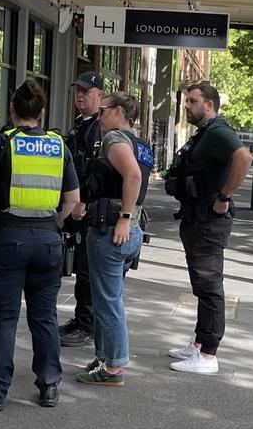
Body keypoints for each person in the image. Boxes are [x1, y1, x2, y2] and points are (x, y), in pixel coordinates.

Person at [0, 79, 80, 411]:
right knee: (44, 318)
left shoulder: (1, 143)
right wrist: (53, 223)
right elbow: (72, 199)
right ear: (40, 112)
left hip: (8, 239)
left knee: (3, 319)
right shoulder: (58, 145)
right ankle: (50, 386)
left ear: (12, 110)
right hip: (48, 242)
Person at [164, 83, 252, 374]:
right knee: (202, 286)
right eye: (186, 100)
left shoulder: (217, 131)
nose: (187, 105)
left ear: (209, 105)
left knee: (210, 286)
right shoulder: (206, 132)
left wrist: (224, 198)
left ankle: (209, 355)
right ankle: (200, 344)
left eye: (192, 101)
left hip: (208, 222)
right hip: (196, 220)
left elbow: (243, 157)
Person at [75, 92, 153, 387]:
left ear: (118, 111)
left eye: (104, 109)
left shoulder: (114, 139)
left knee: (108, 301)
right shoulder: (140, 143)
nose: (99, 115)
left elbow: (132, 177)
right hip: (129, 231)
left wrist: (123, 217)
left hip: (112, 230)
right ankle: (104, 357)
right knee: (108, 297)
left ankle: (114, 366)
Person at [59, 71, 103, 348]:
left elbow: (95, 172)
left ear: (99, 95)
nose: (80, 95)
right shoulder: (81, 124)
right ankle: (81, 318)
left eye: (86, 92)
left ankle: (87, 325)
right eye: (78, 90)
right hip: (78, 205)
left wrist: (81, 202)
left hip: (88, 208)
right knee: (80, 267)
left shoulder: (98, 128)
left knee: (87, 270)